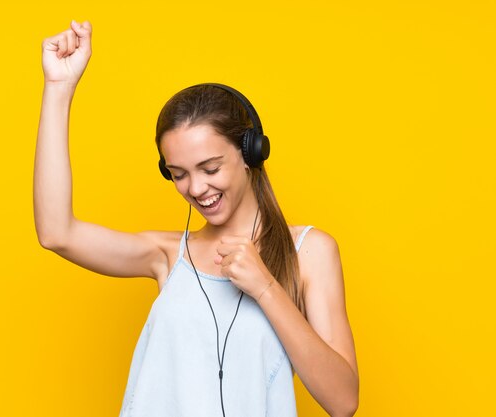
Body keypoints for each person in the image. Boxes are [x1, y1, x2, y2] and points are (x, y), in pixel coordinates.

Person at [34, 20, 359, 417]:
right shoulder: (168, 255)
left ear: (250, 152)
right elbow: (56, 233)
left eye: (210, 167)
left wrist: (265, 288)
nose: (197, 188)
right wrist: (58, 88)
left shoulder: (309, 251)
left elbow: (343, 402)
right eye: (179, 174)